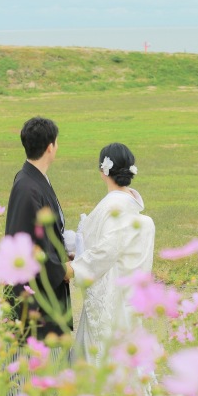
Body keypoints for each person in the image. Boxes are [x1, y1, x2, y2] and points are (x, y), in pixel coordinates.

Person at [65, 143, 155, 371]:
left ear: (103, 170)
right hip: (126, 290)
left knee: (102, 349)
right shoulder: (130, 205)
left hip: (109, 289)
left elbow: (105, 250)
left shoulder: (112, 205)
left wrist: (75, 267)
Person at [4, 116, 72, 343]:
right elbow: (30, 244)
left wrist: (63, 254)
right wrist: (61, 269)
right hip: (33, 297)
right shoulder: (27, 186)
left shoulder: (33, 180)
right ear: (50, 147)